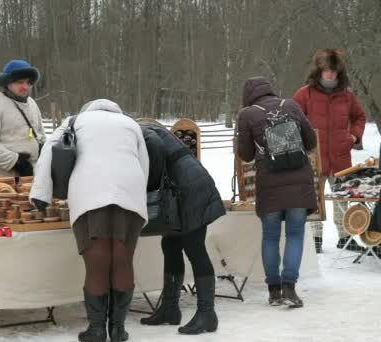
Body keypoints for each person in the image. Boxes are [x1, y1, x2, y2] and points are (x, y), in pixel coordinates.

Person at [30, 99, 149, 342]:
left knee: (97, 262)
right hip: (129, 190)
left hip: (90, 190)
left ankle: (96, 330)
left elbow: (48, 154)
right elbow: (143, 164)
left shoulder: (75, 121)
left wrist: (40, 194)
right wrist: (137, 194)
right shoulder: (130, 123)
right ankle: (118, 329)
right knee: (122, 258)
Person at [138, 121, 225, 335]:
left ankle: (207, 314)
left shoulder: (138, 130)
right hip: (184, 188)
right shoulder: (143, 126)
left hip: (190, 190)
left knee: (194, 248)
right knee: (170, 244)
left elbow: (155, 147)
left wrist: (149, 186)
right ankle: (170, 308)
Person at [237, 76, 318, 307]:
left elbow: (246, 155)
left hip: (269, 184)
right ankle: (290, 289)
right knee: (294, 235)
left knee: (270, 237)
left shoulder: (247, 115)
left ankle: (274, 291)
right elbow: (311, 141)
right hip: (299, 183)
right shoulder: (291, 105)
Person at [293, 49, 367, 253]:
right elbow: (291, 119)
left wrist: (353, 136)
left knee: (342, 196)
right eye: (327, 70)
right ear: (319, 70)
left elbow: (360, 117)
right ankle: (315, 238)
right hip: (313, 156)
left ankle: (345, 237)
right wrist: (303, 141)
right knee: (314, 198)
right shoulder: (304, 93)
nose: (330, 75)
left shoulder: (347, 95)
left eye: (334, 71)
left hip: (341, 156)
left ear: (338, 71)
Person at [0, 59, 46, 177]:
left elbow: (40, 134)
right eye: (20, 82)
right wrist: (15, 162)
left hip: (35, 172)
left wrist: (43, 150)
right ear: (8, 83)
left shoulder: (32, 103)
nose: (25, 87)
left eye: (27, 82)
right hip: (6, 177)